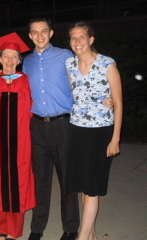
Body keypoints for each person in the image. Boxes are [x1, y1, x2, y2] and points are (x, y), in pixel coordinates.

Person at [22, 18, 80, 240]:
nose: (39, 36)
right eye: (35, 32)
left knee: (68, 180)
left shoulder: (66, 56)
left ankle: (70, 228)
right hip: (36, 126)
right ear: (30, 36)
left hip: (63, 125)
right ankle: (37, 229)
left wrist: (105, 99)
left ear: (51, 33)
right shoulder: (26, 62)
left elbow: (81, 82)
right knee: (40, 180)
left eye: (43, 31)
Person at [65, 21, 122, 240]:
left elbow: (118, 102)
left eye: (81, 37)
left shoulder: (107, 65)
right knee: (83, 186)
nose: (77, 41)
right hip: (77, 130)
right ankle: (91, 236)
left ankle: (82, 238)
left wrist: (115, 138)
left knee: (93, 188)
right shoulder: (69, 65)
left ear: (91, 40)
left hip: (101, 133)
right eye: (73, 38)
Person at [0, 32, 36, 240]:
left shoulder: (25, 81)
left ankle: (15, 231)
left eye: (15, 56)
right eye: (6, 56)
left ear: (19, 60)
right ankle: (1, 229)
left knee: (18, 182)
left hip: (20, 143)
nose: (10, 60)